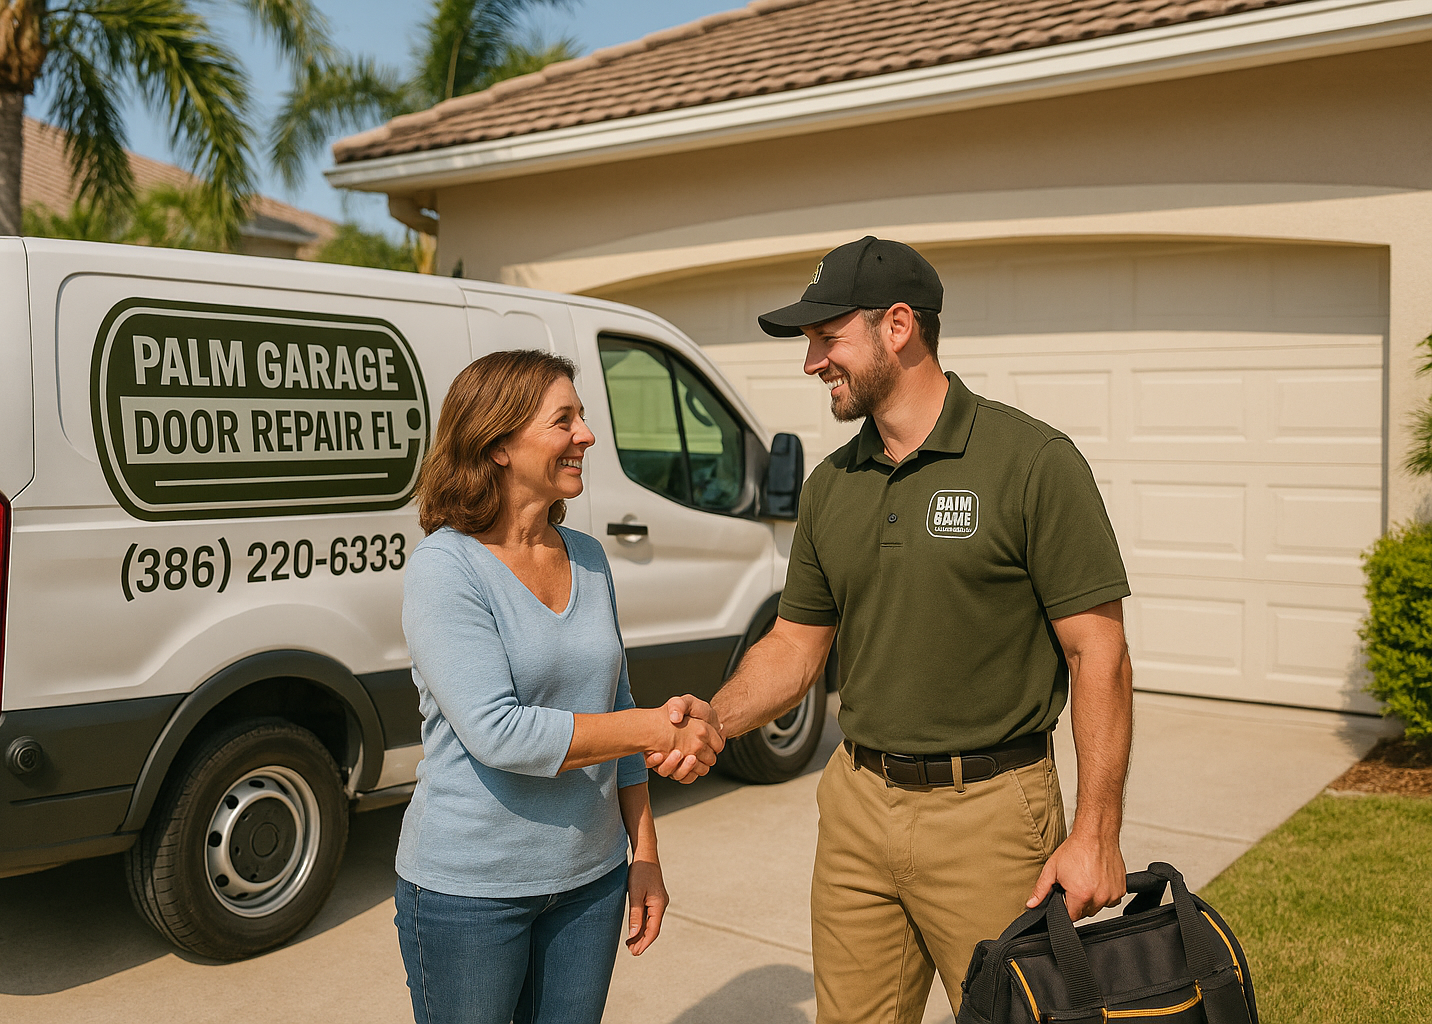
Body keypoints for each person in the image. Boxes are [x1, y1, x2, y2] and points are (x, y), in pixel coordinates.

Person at [651, 237, 1135, 1021]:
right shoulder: (830, 486)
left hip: (991, 815)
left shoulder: (1033, 462)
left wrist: (1096, 833)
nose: (812, 363)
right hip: (856, 808)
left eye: (826, 338)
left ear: (898, 327)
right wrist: (717, 717)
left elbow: (1099, 652)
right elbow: (795, 645)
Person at [396, 349, 723, 1024]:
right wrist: (660, 728)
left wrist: (646, 855)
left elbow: (617, 706)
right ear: (498, 446)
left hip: (590, 885)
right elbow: (499, 733)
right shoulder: (445, 568)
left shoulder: (590, 559)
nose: (587, 435)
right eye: (564, 419)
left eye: (581, 416)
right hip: (471, 896)